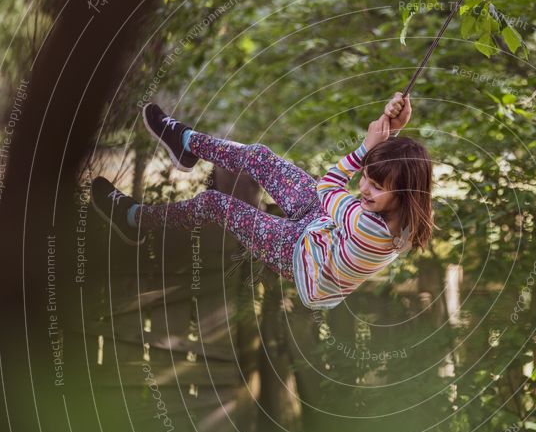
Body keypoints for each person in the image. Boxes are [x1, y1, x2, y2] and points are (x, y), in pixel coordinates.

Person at [91, 93, 434, 309]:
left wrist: (365, 148)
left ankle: (134, 218)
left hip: (301, 258)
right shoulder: (400, 211)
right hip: (323, 229)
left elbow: (327, 186)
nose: (365, 188)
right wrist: (393, 130)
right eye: (367, 178)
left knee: (216, 203)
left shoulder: (366, 227)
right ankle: (186, 141)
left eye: (376, 187)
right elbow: (394, 176)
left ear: (403, 196)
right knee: (259, 156)